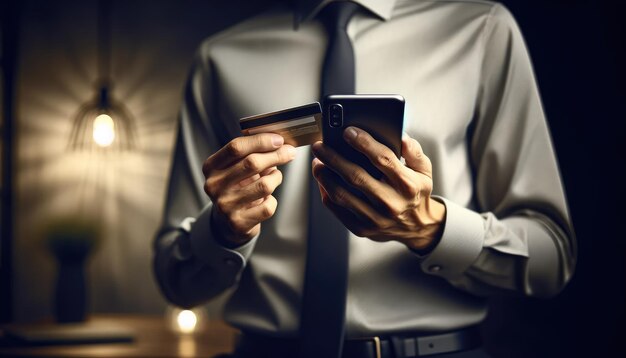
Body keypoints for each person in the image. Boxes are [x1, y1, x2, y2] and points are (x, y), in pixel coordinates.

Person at [153, 0, 576, 356]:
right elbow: (176, 284)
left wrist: (432, 227)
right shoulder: (221, 57)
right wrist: (222, 231)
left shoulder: (482, 31)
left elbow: (551, 257)